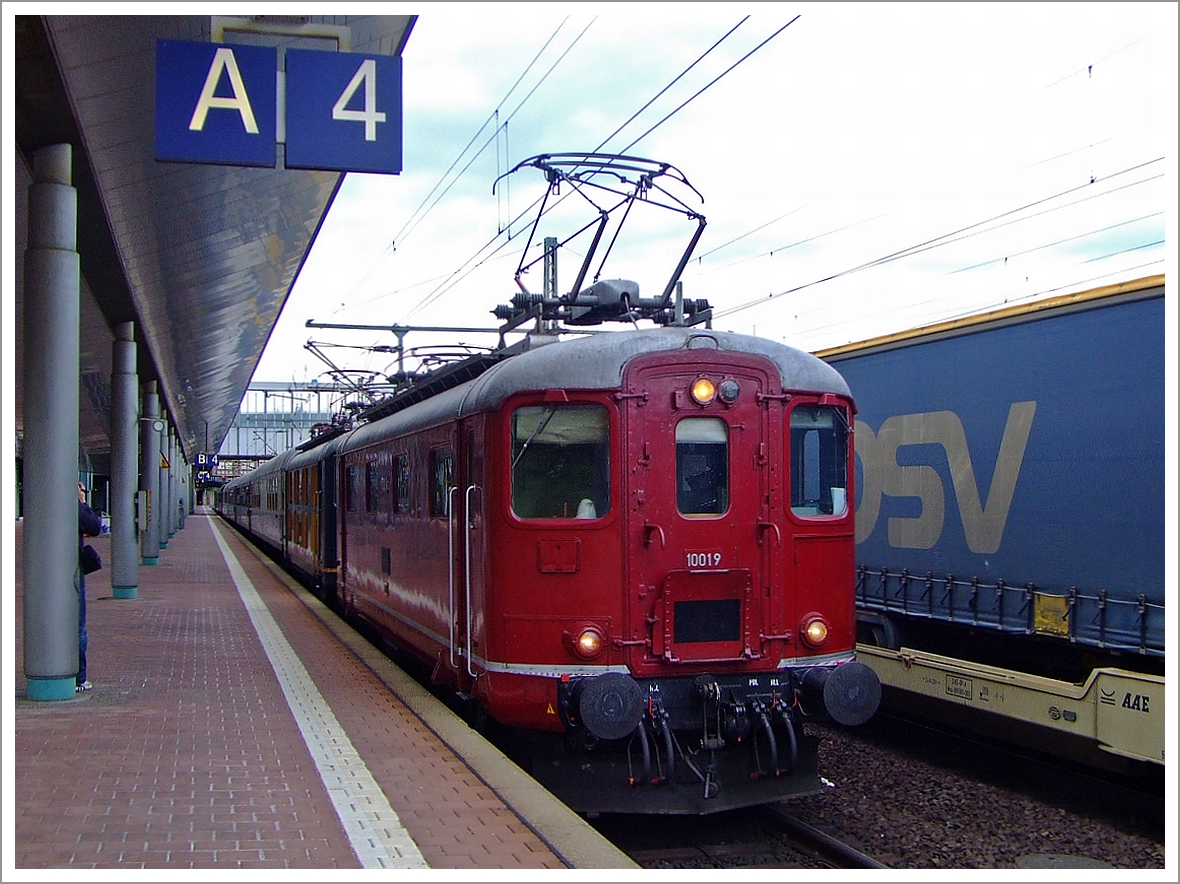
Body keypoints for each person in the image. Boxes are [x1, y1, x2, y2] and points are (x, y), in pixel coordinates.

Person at [77, 482, 101, 692]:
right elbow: (94, 527)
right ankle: (79, 677)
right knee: (78, 626)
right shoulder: (73, 505)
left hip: (42, 575)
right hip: (71, 573)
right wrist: (82, 502)